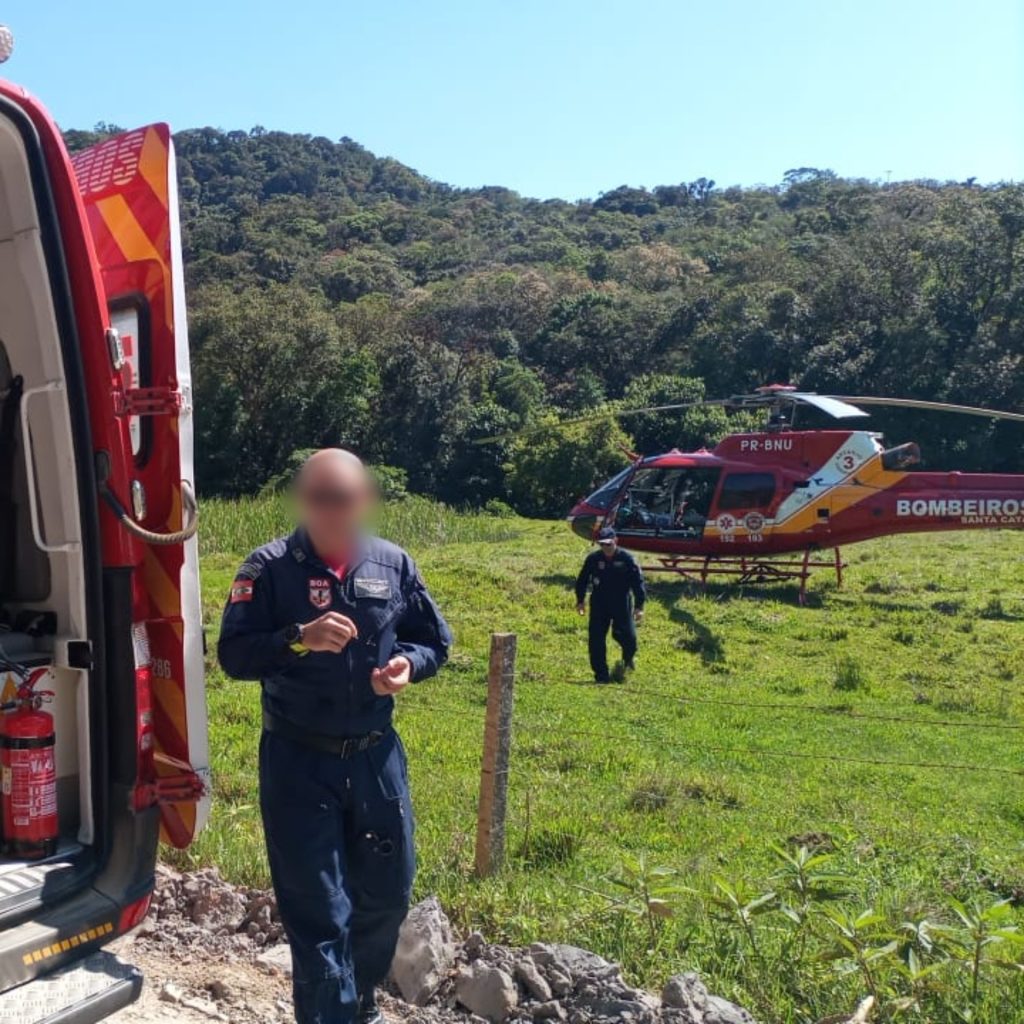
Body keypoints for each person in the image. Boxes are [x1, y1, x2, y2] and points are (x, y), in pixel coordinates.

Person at [218, 449, 452, 1024]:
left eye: (344, 498)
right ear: (303, 501)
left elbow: (433, 640)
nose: (332, 510)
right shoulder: (267, 569)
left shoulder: (393, 565)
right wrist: (298, 637)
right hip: (299, 759)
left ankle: (359, 1000)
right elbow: (234, 655)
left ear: (363, 500)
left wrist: (407, 667)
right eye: (320, 497)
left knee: (388, 897)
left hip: (375, 758)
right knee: (319, 911)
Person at [575, 526, 646, 683]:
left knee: (629, 638)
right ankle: (601, 676)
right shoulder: (593, 559)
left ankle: (627, 660)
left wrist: (639, 606)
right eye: (602, 544)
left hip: (621, 602)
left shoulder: (627, 559)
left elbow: (638, 583)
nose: (606, 547)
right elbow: (582, 580)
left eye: (609, 544)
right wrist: (580, 601)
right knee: (596, 640)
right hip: (600, 602)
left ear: (616, 541)